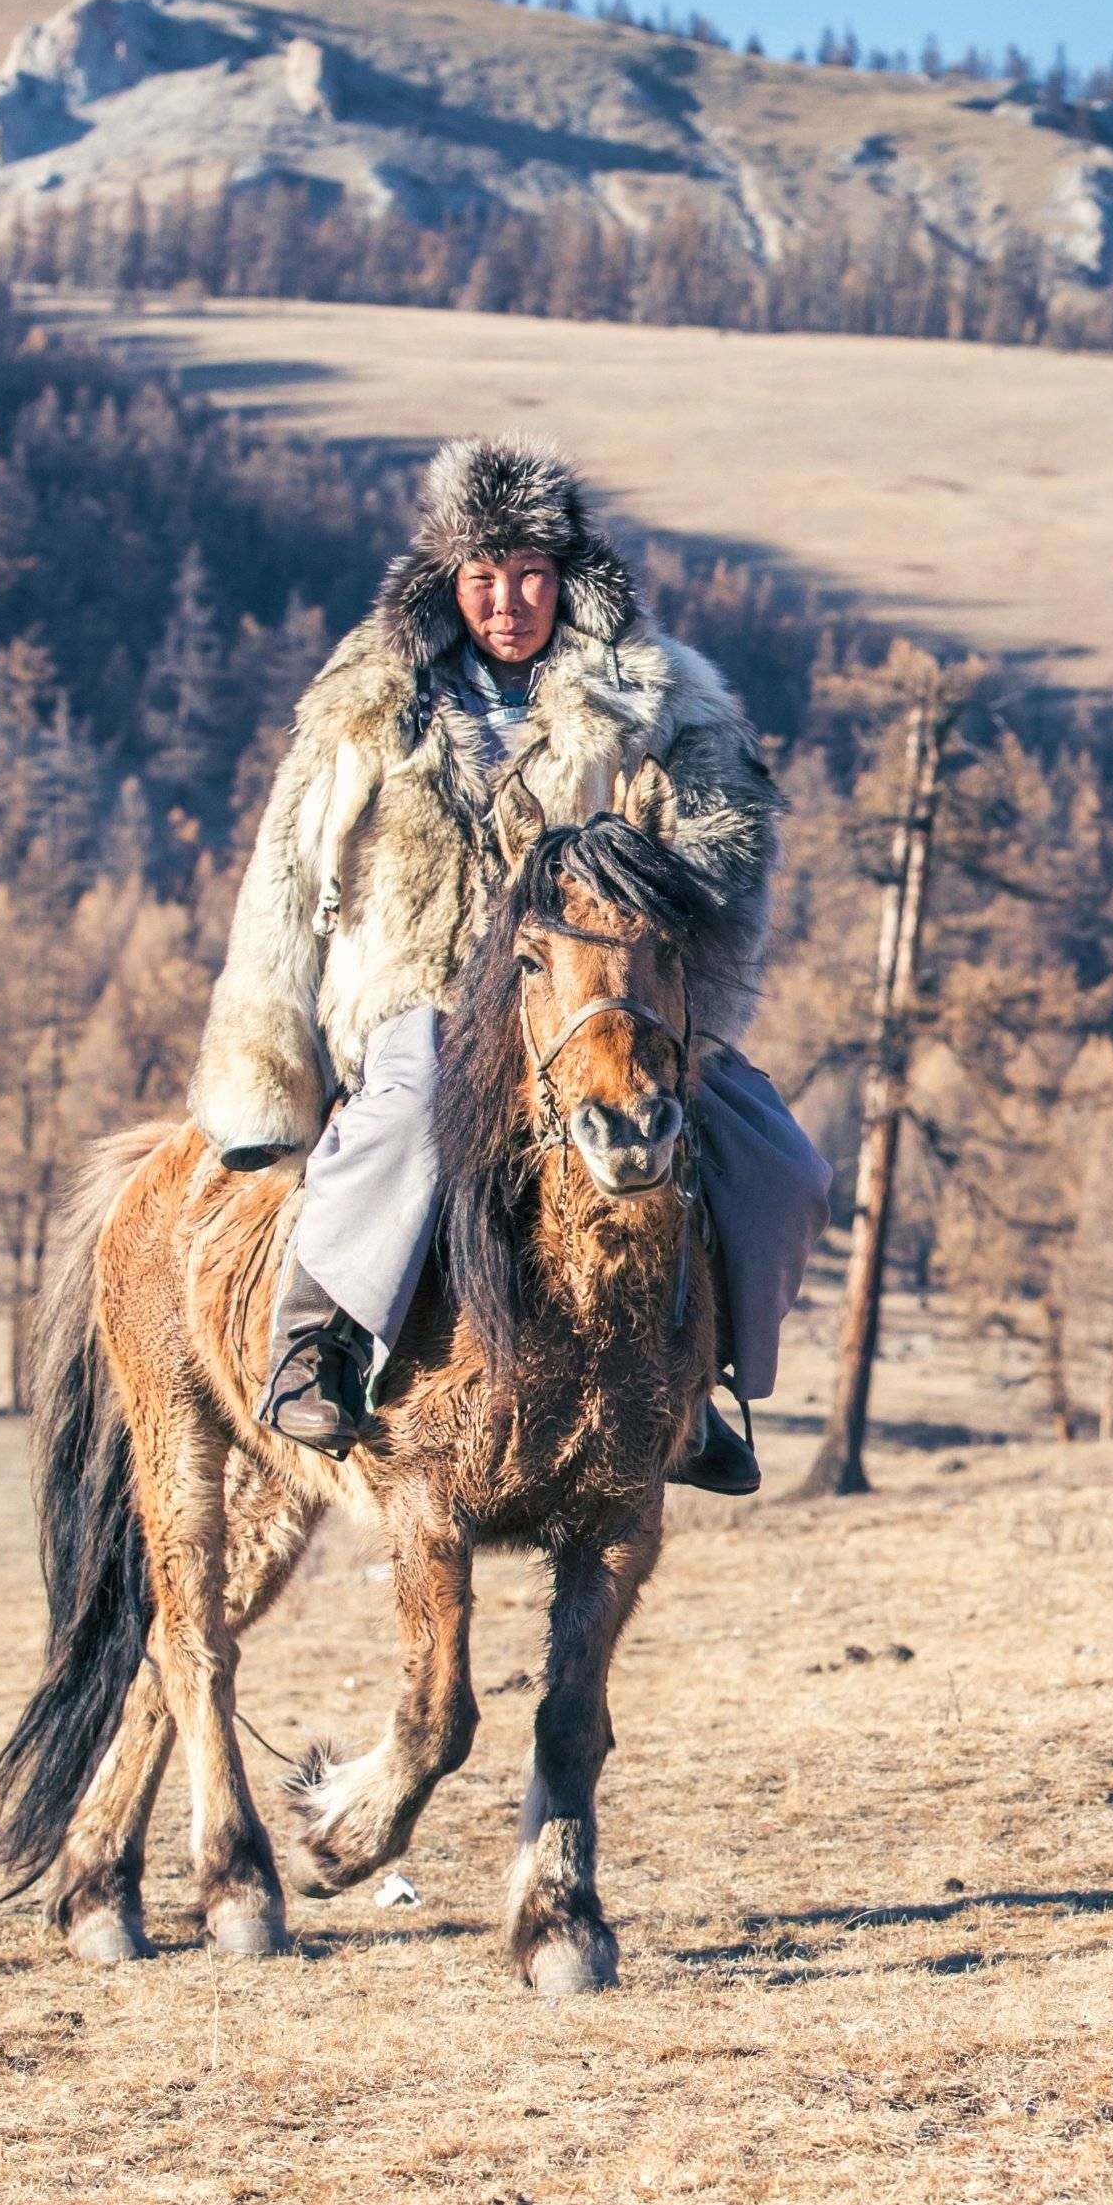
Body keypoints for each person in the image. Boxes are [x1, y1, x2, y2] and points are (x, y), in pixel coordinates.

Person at [187, 438, 828, 1491]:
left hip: (598, 1001)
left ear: (566, 576)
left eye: (530, 571)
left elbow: (735, 841)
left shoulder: (655, 692)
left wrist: (670, 957)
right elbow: (283, 878)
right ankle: (321, 1344)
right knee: (405, 1120)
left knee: (780, 1167)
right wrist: (264, 1053)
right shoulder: (367, 700)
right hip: (420, 992)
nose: (507, 599)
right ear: (449, 581)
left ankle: (699, 1388)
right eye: (483, 576)